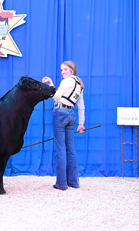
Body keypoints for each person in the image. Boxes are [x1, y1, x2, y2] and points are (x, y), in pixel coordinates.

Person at [42, 61, 85, 190]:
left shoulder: (67, 81)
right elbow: (81, 106)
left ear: (71, 70)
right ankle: (74, 182)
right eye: (61, 70)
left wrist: (51, 84)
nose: (63, 72)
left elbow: (56, 97)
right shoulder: (79, 85)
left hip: (60, 113)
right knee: (71, 149)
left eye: (65, 69)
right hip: (71, 115)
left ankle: (61, 184)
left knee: (60, 149)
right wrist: (81, 123)